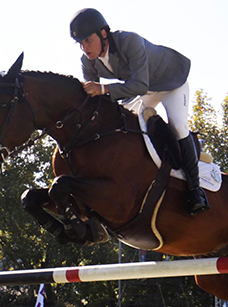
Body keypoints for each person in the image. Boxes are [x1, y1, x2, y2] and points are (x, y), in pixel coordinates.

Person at [69, 8, 210, 216]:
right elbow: (94, 98)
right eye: (80, 43)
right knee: (124, 121)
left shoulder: (129, 41)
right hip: (144, 89)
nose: (84, 47)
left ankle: (195, 191)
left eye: (88, 40)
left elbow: (139, 85)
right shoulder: (88, 61)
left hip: (170, 82)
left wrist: (104, 89)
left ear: (103, 33)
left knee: (179, 126)